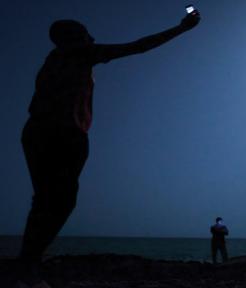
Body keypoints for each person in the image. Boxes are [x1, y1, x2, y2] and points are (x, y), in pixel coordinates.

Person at [18, 10, 200, 287]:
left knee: (47, 200)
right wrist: (181, 29)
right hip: (60, 134)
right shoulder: (76, 54)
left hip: (40, 132)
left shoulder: (56, 60)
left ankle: (28, 263)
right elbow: (137, 46)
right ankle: (28, 266)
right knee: (58, 200)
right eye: (85, 32)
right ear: (74, 38)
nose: (92, 36)